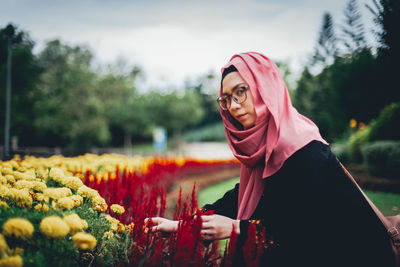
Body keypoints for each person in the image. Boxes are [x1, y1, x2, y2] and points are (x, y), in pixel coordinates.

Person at [147, 52, 395, 267]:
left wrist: (234, 228)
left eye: (241, 92)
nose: (233, 106)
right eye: (226, 98)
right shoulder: (268, 147)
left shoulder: (304, 149)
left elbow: (305, 227)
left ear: (265, 88)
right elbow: (240, 196)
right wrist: (182, 225)